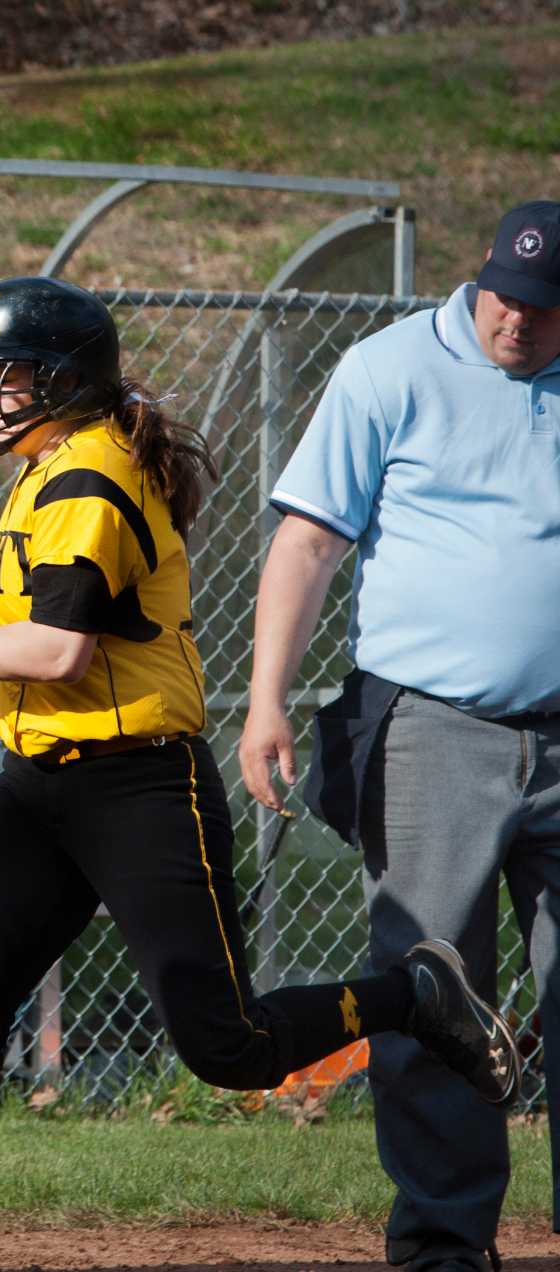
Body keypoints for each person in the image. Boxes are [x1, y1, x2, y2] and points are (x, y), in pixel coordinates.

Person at [0, 275, 523, 1272]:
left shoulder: (91, 475)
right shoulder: (55, 462)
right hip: (40, 777)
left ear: (61, 380)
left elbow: (57, 650)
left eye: (0, 374)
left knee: (224, 1045)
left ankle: (412, 994)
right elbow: (38, 605)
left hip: (134, 784)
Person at [240, 201, 560, 1272]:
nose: (516, 324)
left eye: (544, 309)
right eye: (502, 300)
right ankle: (440, 1243)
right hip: (431, 726)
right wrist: (264, 697)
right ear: (478, 279)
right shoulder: (387, 368)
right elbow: (305, 543)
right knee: (431, 987)